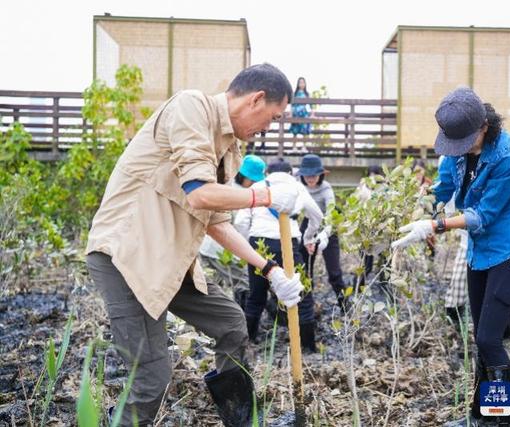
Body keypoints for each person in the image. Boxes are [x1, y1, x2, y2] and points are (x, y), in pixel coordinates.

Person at [85, 63, 307, 427]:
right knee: (151, 378)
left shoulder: (230, 149)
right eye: (274, 116)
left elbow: (215, 223)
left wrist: (270, 270)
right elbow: (201, 194)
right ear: (257, 99)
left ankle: (243, 422)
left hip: (170, 261)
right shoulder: (192, 108)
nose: (270, 127)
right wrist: (263, 196)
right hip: (127, 257)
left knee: (232, 323)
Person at [392, 87, 510, 427]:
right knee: (481, 338)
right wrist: (418, 209)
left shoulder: (509, 157)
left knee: (488, 339)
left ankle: (506, 421)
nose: (459, 149)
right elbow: (442, 191)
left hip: (509, 252)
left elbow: (482, 216)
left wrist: (435, 225)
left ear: (484, 125)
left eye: (466, 140)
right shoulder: (455, 151)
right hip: (478, 252)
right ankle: (481, 414)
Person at [234, 159, 323, 352]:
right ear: (291, 173)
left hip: (259, 243)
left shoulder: (257, 186)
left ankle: (248, 344)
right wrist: (308, 237)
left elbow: (241, 222)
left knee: (256, 296)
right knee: (302, 295)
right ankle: (308, 346)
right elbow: (316, 216)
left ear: (267, 173)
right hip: (288, 246)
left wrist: (247, 248)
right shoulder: (296, 187)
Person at [297, 154, 349, 312]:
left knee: (334, 272)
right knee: (304, 270)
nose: (310, 178)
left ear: (320, 174)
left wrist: (324, 234)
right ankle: (307, 308)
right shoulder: (299, 186)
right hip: (307, 225)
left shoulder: (326, 188)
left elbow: (331, 213)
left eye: (314, 175)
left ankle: (346, 308)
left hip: (327, 225)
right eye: (307, 175)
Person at [288, 77, 312, 152]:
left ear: (305, 84)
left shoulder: (307, 94)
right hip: (296, 113)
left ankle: (304, 147)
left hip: (304, 113)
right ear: (298, 84)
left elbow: (311, 105)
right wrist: (290, 114)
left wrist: (312, 114)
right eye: (300, 82)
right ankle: (294, 147)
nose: (301, 84)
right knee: (295, 131)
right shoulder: (295, 94)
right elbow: (292, 105)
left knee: (304, 131)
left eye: (303, 82)